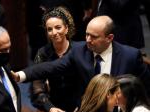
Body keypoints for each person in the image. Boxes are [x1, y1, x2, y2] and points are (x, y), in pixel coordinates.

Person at [13, 15, 150, 97]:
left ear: (109, 38)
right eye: (87, 34)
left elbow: (146, 88)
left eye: (94, 37)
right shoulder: (79, 51)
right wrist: (21, 75)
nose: (88, 40)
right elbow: (50, 67)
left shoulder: (130, 56)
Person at [30, 6, 81, 112]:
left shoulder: (79, 50)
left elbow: (89, 82)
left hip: (78, 107)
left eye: (58, 27)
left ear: (67, 28)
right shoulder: (43, 53)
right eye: (49, 29)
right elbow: (37, 86)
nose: (54, 33)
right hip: (54, 106)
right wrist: (49, 108)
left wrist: (82, 105)